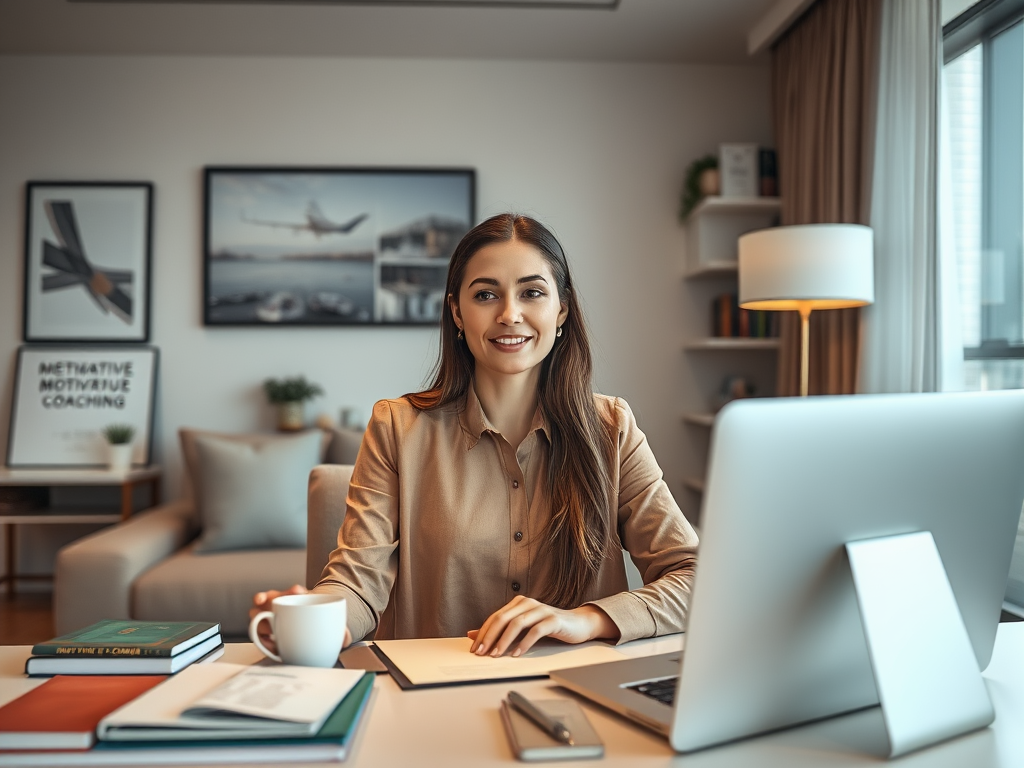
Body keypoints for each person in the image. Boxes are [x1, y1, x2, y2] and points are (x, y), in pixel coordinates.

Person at [252, 213, 699, 658]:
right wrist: (318, 619)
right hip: (434, 698)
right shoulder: (396, 427)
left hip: (577, 692)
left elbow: (694, 576)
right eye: (486, 295)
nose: (509, 314)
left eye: (532, 293)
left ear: (561, 309)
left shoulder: (612, 428)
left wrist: (586, 618)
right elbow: (356, 582)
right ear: (457, 312)